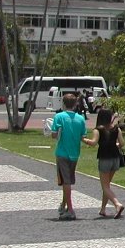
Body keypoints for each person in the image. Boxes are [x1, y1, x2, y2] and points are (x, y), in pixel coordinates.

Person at [51, 92, 88, 221]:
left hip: (62, 152)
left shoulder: (59, 117)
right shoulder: (81, 119)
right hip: (75, 153)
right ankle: (64, 204)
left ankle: (71, 210)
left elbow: (54, 135)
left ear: (63, 103)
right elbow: (83, 136)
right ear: (76, 104)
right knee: (68, 180)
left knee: (65, 181)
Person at [83, 107, 125, 219]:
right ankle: (103, 209)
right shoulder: (116, 129)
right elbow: (122, 143)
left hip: (104, 158)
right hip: (115, 159)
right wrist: (114, 145)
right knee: (107, 185)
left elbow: (93, 143)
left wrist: (83, 139)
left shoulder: (98, 130)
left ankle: (117, 204)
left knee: (105, 186)